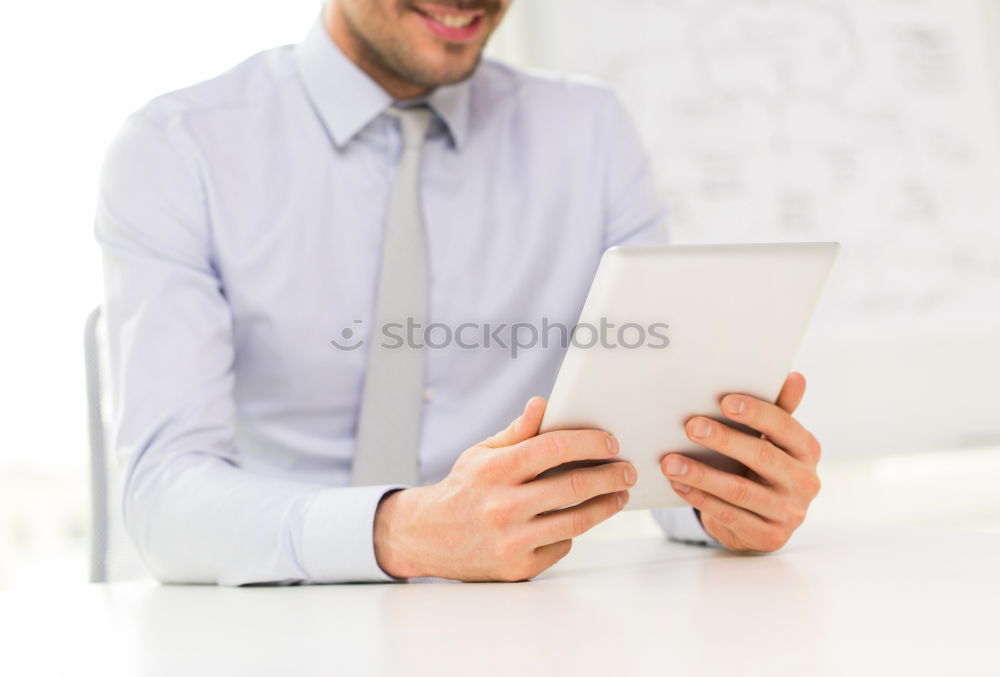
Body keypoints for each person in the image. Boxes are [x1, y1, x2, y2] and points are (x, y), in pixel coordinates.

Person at [96, 0, 822, 585]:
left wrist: (723, 499)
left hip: (522, 626)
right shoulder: (178, 150)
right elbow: (161, 495)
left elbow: (649, 436)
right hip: (270, 617)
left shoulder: (589, 134)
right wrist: (402, 532)